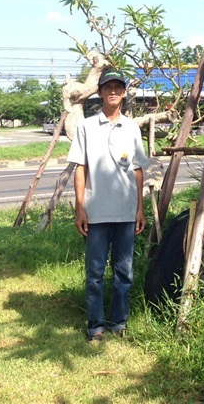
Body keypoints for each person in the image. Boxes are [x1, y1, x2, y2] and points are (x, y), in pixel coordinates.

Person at [67, 67, 148, 341]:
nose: (113, 91)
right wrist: (80, 207)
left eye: (118, 87)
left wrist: (140, 208)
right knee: (95, 273)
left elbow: (137, 170)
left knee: (124, 272)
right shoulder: (86, 127)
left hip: (126, 212)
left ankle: (119, 323)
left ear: (124, 93)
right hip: (96, 212)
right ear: (100, 93)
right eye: (107, 87)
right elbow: (81, 168)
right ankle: (96, 326)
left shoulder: (132, 127)